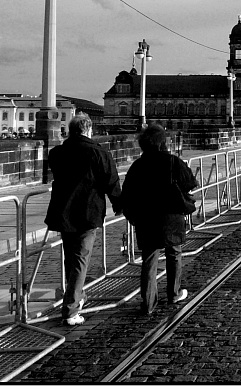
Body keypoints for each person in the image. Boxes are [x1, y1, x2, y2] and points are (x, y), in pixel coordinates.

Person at [44, 113, 122, 326]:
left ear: (71, 131)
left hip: (63, 212)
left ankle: (77, 296)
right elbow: (111, 181)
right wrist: (118, 205)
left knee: (71, 257)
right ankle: (71, 309)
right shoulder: (99, 153)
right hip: (88, 212)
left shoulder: (57, 153)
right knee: (80, 259)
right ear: (88, 130)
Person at [122, 124, 197, 316]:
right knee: (174, 254)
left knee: (149, 259)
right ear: (162, 142)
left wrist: (132, 217)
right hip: (171, 215)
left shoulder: (138, 166)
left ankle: (148, 303)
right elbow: (190, 182)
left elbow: (127, 195)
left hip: (146, 218)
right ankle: (174, 293)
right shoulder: (173, 161)